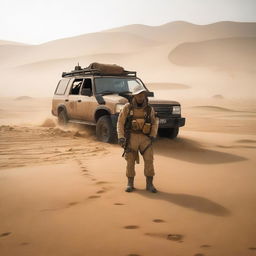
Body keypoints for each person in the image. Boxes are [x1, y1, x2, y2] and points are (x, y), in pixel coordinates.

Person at [117, 84, 159, 193]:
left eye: (142, 94)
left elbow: (154, 122)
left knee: (149, 160)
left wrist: (153, 135)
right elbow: (120, 123)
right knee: (130, 161)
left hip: (146, 139)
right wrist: (121, 137)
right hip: (131, 138)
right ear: (134, 96)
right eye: (138, 94)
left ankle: (149, 184)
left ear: (145, 95)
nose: (141, 96)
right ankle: (130, 184)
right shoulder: (127, 107)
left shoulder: (150, 109)